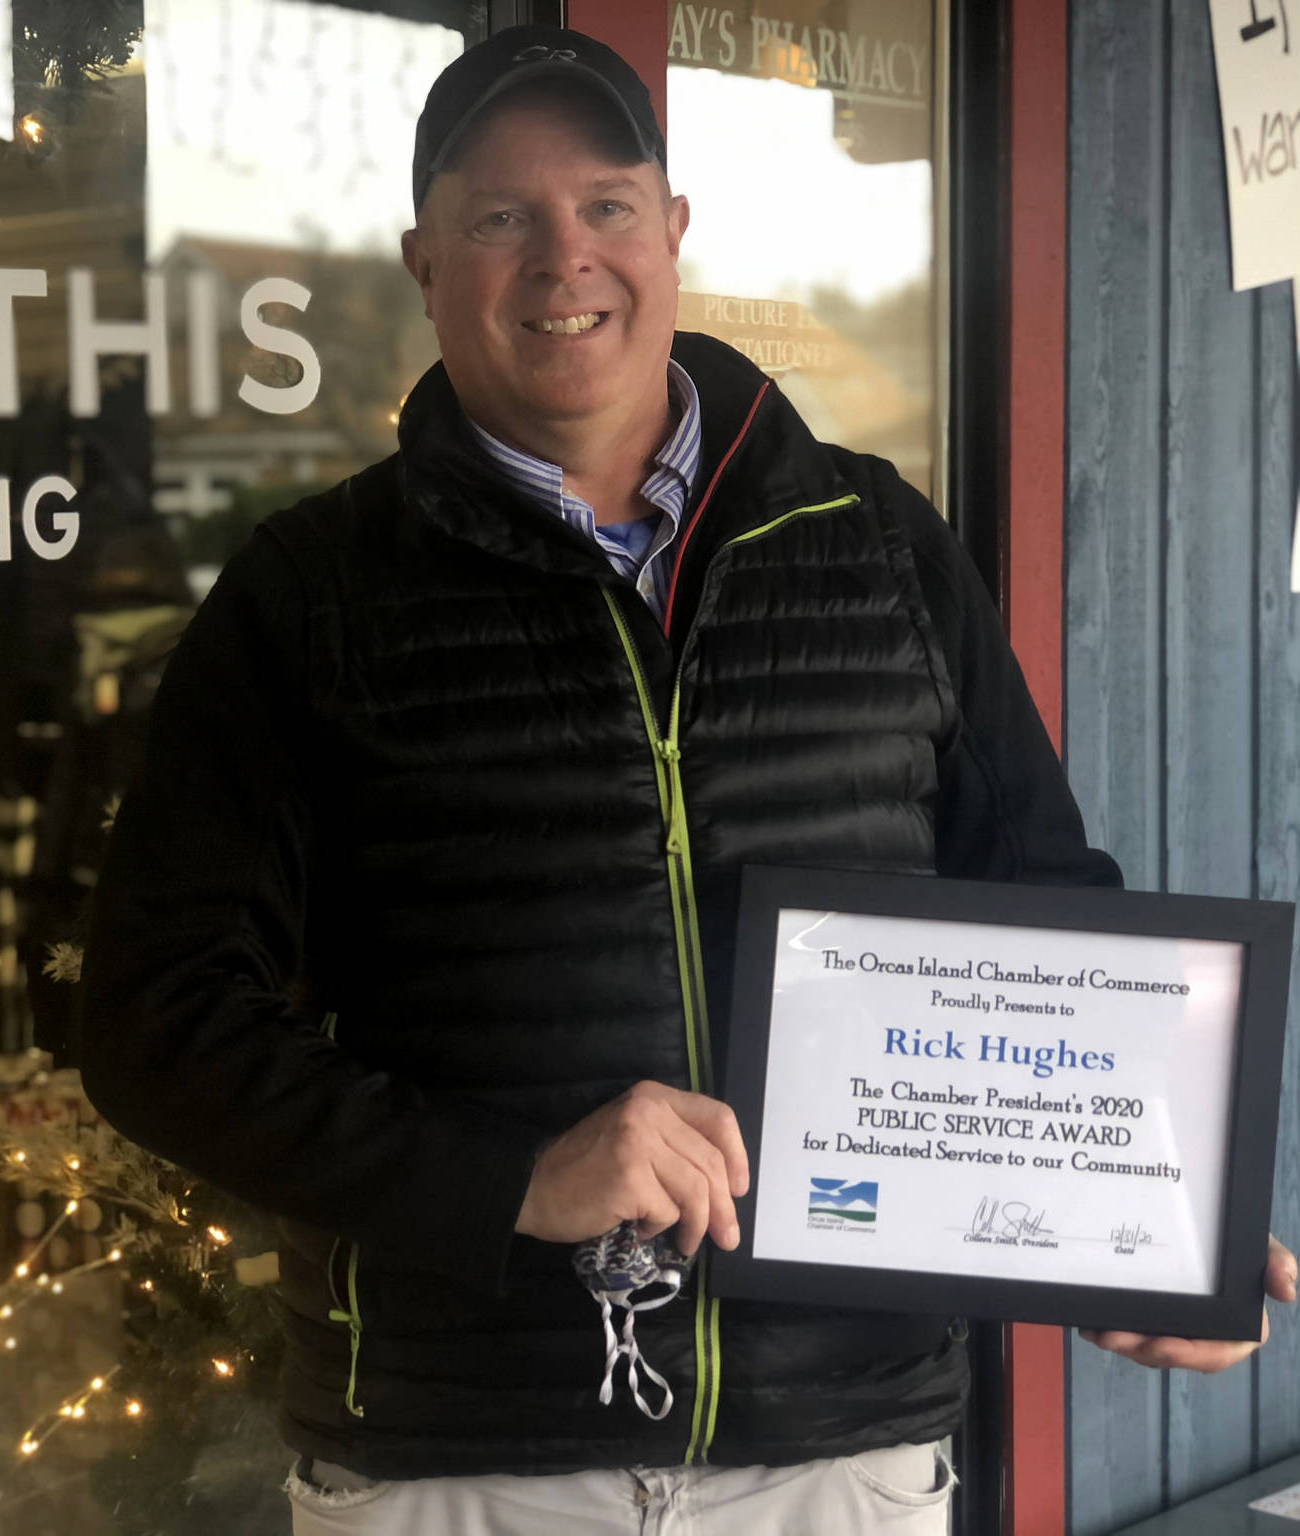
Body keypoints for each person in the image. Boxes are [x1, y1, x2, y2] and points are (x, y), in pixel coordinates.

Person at [79, 24, 1295, 1535]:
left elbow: (1041, 910)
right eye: (500, 217)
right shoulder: (309, 597)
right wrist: (512, 1178)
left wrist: (1131, 1227)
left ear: (673, 231)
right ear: (424, 263)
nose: (563, 258)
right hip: (460, 1467)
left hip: (838, 1460)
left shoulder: (879, 547)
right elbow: (155, 1023)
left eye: (605, 204)